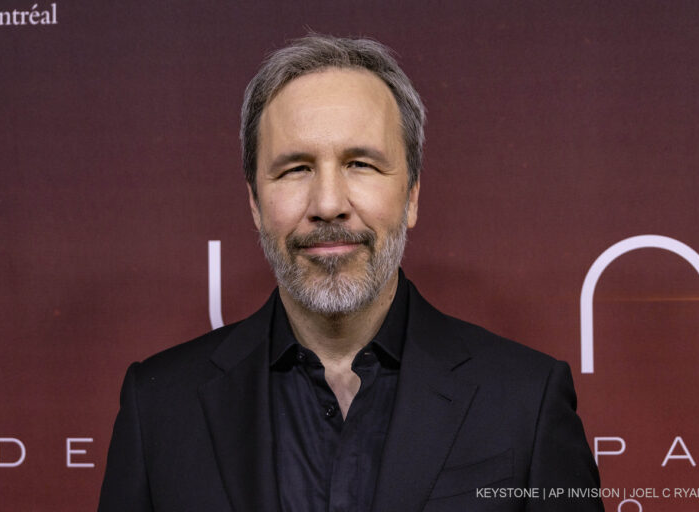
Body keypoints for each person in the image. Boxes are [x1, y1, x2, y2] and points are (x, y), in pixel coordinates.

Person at [98, 34, 603, 512]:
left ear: (411, 195)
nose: (328, 204)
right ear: (255, 203)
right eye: (295, 168)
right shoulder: (159, 406)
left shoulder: (525, 399)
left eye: (360, 163)